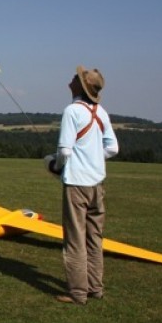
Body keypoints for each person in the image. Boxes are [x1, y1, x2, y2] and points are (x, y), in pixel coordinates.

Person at [46, 66, 119, 305]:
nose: (72, 78)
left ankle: (78, 293)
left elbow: (65, 151)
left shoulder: (72, 111)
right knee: (94, 239)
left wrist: (56, 166)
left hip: (76, 184)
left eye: (77, 78)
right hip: (97, 184)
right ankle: (95, 288)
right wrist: (93, 159)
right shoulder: (101, 112)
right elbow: (113, 148)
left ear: (81, 86)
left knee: (75, 240)